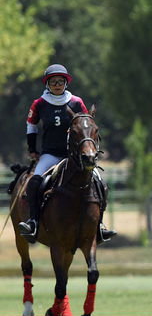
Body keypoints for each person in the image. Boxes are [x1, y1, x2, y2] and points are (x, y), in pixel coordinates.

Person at [18, 64, 116, 243]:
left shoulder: (76, 102)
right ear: (48, 84)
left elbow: (88, 125)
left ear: (66, 83)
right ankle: (33, 222)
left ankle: (100, 225)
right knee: (34, 183)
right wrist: (33, 150)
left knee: (100, 183)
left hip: (76, 156)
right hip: (50, 154)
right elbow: (31, 125)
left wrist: (91, 151)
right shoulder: (39, 103)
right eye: (53, 81)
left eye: (61, 81)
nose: (57, 84)